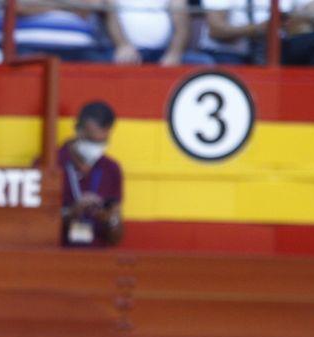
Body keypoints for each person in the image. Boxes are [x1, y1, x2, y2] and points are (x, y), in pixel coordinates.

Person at [57, 100, 123, 248]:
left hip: (96, 257)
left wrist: (109, 220)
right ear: (78, 129)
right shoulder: (51, 164)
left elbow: (116, 237)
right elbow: (35, 225)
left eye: (102, 142)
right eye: (91, 141)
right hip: (56, 258)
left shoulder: (111, 169)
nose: (96, 148)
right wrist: (72, 212)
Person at [200, 0, 314, 66]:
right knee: (233, 74)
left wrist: (305, 15)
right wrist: (257, 29)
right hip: (233, 52)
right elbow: (216, 30)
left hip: (276, 48)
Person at [105, 0, 208, 64]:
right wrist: (122, 45)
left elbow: (182, 23)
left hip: (162, 51)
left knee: (203, 62)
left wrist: (174, 53)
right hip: (126, 51)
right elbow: (110, 17)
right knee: (98, 61)